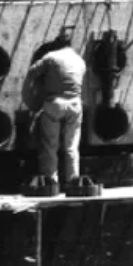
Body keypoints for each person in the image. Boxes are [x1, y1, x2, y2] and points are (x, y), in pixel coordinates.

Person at [21, 34, 86, 194]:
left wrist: (31, 99)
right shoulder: (80, 60)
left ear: (57, 44)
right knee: (72, 146)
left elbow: (32, 72)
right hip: (75, 105)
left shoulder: (51, 57)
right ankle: (73, 181)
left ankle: (51, 182)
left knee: (50, 146)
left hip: (55, 104)